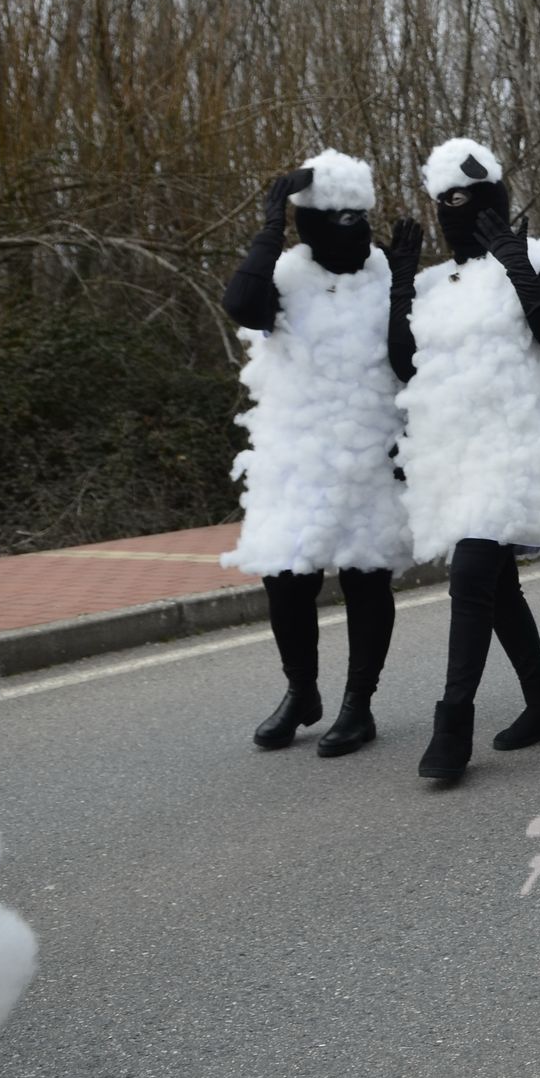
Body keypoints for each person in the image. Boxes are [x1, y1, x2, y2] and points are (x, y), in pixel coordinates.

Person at [390, 138, 540, 783]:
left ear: (494, 200)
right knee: (495, 587)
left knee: (472, 577)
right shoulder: (433, 284)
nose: (453, 213)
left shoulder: (538, 256)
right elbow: (403, 365)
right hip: (454, 450)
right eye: (443, 203)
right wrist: (398, 287)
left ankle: (452, 728)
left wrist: (512, 261)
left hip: (516, 446)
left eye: (465, 200)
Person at [222, 152, 409, 756]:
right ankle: (302, 692)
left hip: (371, 448)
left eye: (359, 216)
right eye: (334, 217)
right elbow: (242, 305)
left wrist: (405, 280)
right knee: (286, 579)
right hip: (296, 451)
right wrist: (269, 226)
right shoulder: (284, 274)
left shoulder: (385, 271)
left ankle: (359, 704)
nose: (348, 228)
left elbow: (411, 357)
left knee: (365, 578)